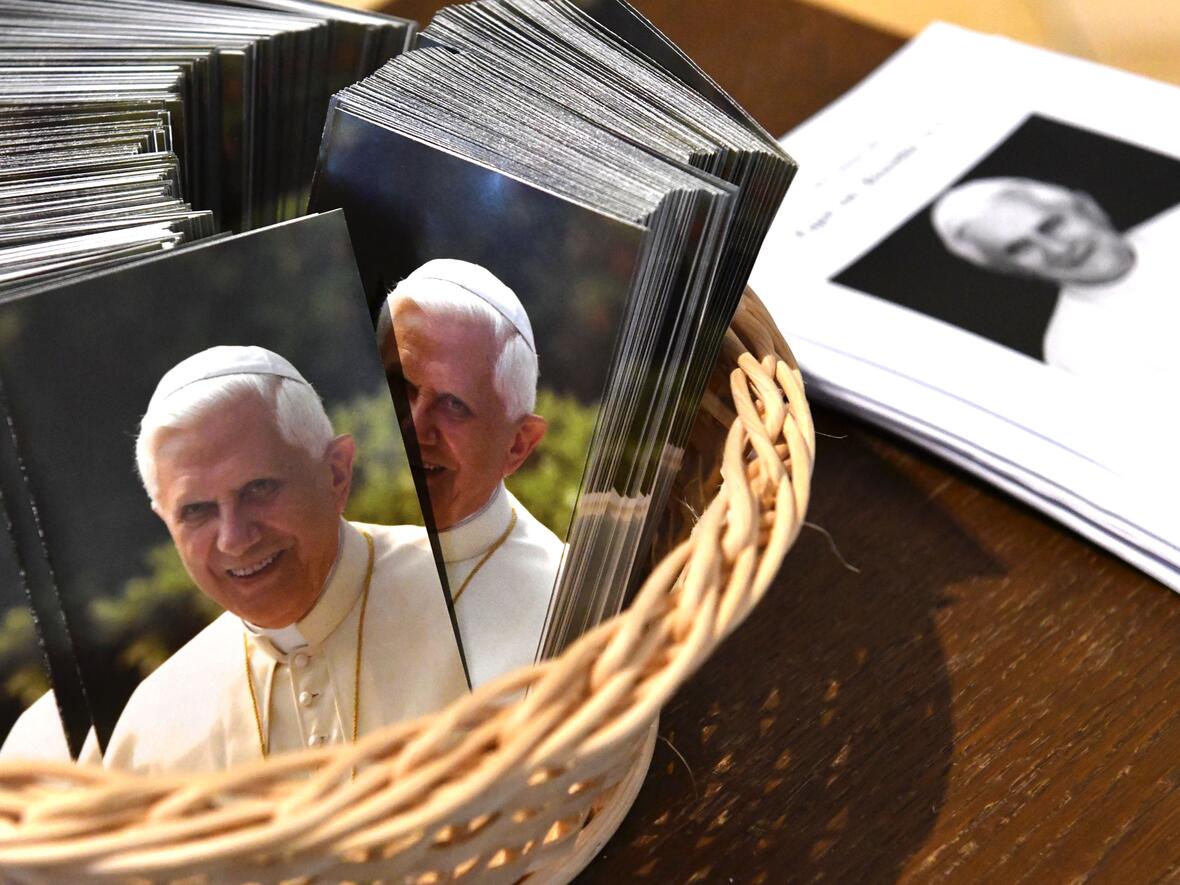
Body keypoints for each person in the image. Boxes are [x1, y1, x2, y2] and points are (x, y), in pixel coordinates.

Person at [103, 346, 467, 774]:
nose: (235, 540)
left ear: (336, 473)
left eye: (259, 488)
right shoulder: (151, 732)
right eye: (196, 511)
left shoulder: (474, 589)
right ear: (166, 522)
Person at [378, 259, 565, 688]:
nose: (413, 427)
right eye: (399, 387)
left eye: (454, 404)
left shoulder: (564, 613)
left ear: (517, 445)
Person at [931, 177, 1180, 383]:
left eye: (1051, 225)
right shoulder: (1073, 352)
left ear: (1087, 209)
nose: (1058, 249)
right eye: (1020, 248)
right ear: (1011, 270)